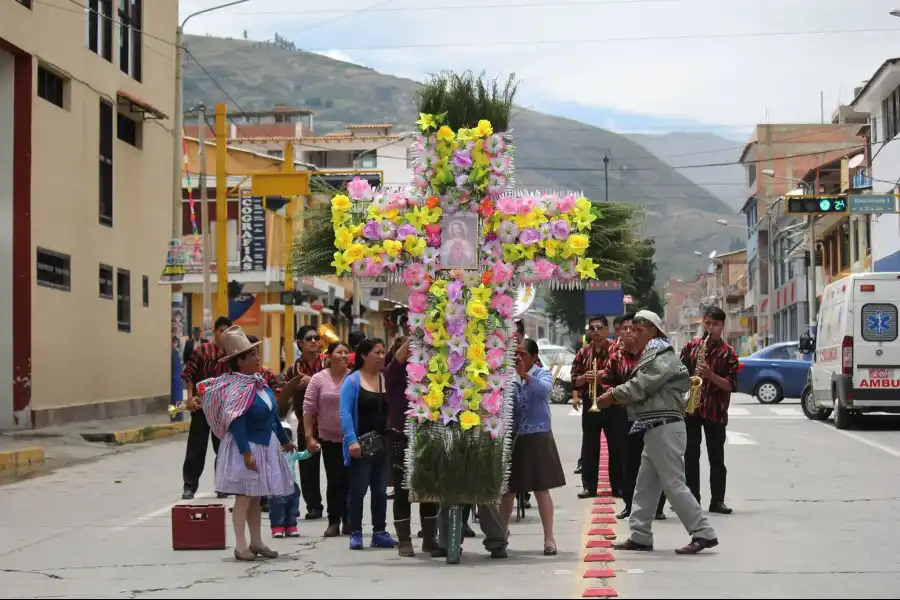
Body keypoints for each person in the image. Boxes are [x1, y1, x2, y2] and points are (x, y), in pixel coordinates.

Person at [596, 310, 719, 555]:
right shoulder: (654, 353)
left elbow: (642, 384)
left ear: (653, 330)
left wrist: (613, 395)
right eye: (632, 329)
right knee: (645, 486)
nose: (634, 334)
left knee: (673, 484)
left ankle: (703, 532)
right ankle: (640, 535)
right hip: (654, 427)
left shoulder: (660, 354)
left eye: (639, 330)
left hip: (664, 427)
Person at [198, 325, 296, 562]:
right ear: (239, 361)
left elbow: (273, 416)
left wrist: (285, 441)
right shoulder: (236, 387)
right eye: (251, 354)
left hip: (264, 445)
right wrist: (245, 452)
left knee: (256, 496)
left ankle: (257, 542)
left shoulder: (258, 383)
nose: (256, 357)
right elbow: (236, 421)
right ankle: (240, 545)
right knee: (243, 497)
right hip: (246, 447)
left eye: (255, 353)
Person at [501, 339, 566, 556]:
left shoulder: (542, 374)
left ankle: (549, 538)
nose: (518, 358)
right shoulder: (508, 377)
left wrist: (525, 376)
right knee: (508, 490)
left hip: (537, 435)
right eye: (515, 354)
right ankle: (501, 533)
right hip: (514, 437)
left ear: (534, 357)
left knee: (541, 489)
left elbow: (545, 391)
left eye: (522, 354)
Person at [600, 314, 667, 521]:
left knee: (655, 460)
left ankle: (657, 506)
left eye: (634, 329)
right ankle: (630, 504)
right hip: (624, 415)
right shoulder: (616, 357)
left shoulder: (652, 354)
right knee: (628, 461)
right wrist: (617, 397)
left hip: (651, 414)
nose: (630, 333)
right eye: (626, 329)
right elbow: (606, 382)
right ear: (620, 332)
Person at [339, 338, 398, 550]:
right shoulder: (353, 381)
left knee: (380, 490)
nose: (381, 356)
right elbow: (345, 413)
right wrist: (352, 441)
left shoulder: (384, 378)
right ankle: (355, 531)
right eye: (377, 352)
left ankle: (379, 532)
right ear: (364, 355)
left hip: (382, 443)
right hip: (361, 444)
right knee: (358, 489)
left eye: (384, 352)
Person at [383, 336, 439, 557]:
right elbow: (397, 358)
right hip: (400, 437)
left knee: (428, 489)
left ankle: (429, 538)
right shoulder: (393, 374)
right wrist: (415, 335)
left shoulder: (427, 372)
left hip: (426, 436)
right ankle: (404, 540)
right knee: (402, 489)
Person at [680, 306, 739, 515]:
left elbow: (731, 385)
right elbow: (680, 375)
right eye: (707, 323)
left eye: (715, 324)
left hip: (716, 411)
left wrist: (710, 375)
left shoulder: (729, 353)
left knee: (716, 458)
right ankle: (692, 499)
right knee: (690, 457)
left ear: (722, 326)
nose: (710, 328)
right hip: (692, 410)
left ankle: (717, 500)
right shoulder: (691, 347)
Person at [303, 341, 352, 537]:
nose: (342, 356)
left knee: (351, 481)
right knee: (334, 480)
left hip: (352, 439)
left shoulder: (354, 378)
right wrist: (309, 435)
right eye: (338, 352)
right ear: (329, 356)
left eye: (346, 352)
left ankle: (350, 521)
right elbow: (308, 408)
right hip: (328, 438)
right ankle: (334, 521)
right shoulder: (318, 379)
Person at [181, 316, 233, 500]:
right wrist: (189, 398)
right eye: (221, 331)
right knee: (196, 448)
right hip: (202, 407)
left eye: (227, 331)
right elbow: (189, 374)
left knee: (223, 449)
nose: (223, 334)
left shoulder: (232, 354)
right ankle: (189, 486)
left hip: (222, 409)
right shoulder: (202, 351)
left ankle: (222, 485)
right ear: (214, 331)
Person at [571, 316, 622, 500]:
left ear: (607, 330)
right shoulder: (584, 352)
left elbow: (620, 374)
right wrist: (585, 378)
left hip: (612, 403)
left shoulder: (616, 349)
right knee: (590, 446)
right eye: (591, 327)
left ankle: (618, 486)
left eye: (599, 327)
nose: (595, 330)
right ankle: (589, 487)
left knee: (616, 445)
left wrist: (602, 376)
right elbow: (574, 379)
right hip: (590, 402)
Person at [280, 325, 326, 520]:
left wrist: (314, 381)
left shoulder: (328, 363)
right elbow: (284, 393)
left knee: (336, 468)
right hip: (305, 423)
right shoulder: (293, 369)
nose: (314, 341)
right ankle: (314, 506)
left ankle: (339, 507)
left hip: (331, 421)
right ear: (300, 343)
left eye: (316, 337)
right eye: (309, 338)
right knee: (307, 467)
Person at [268, 422, 308, 538]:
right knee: (277, 508)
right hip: (277, 486)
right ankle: (277, 527)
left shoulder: (291, 453)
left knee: (293, 507)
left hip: (292, 485)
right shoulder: (272, 454)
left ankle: (291, 526)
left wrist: (310, 451)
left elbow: (302, 455)